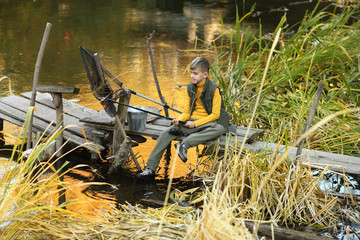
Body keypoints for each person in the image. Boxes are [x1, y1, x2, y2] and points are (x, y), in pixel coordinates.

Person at [136, 57, 230, 179]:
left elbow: (215, 115)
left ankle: (184, 145)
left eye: (195, 73)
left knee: (219, 129)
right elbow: (186, 112)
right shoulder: (190, 88)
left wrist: (195, 125)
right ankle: (150, 169)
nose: (192, 76)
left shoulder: (214, 89)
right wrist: (179, 120)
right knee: (165, 133)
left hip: (208, 123)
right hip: (191, 122)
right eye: (191, 73)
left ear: (205, 74)